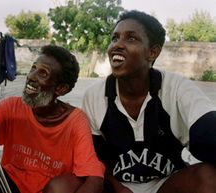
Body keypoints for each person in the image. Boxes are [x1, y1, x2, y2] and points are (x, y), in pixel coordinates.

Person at [0, 45, 105, 193]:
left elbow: (94, 178)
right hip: (7, 185)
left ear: (61, 89)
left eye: (43, 73)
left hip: (48, 190)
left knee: (62, 186)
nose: (31, 76)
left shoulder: (75, 120)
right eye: (33, 68)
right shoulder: (11, 107)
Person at [82, 10, 216, 193]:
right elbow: (93, 159)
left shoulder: (176, 88)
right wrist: (118, 188)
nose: (117, 45)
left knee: (208, 176)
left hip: (166, 185)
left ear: (152, 52)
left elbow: (208, 129)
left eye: (130, 38)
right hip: (116, 187)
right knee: (64, 184)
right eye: (114, 38)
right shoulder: (94, 96)